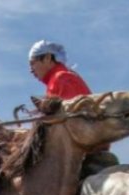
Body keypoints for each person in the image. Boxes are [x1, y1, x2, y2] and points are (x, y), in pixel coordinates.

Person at [28, 40, 118, 174]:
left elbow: (72, 120)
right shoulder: (59, 79)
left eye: (32, 63)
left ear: (47, 58)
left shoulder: (62, 78)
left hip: (84, 153)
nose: (31, 70)